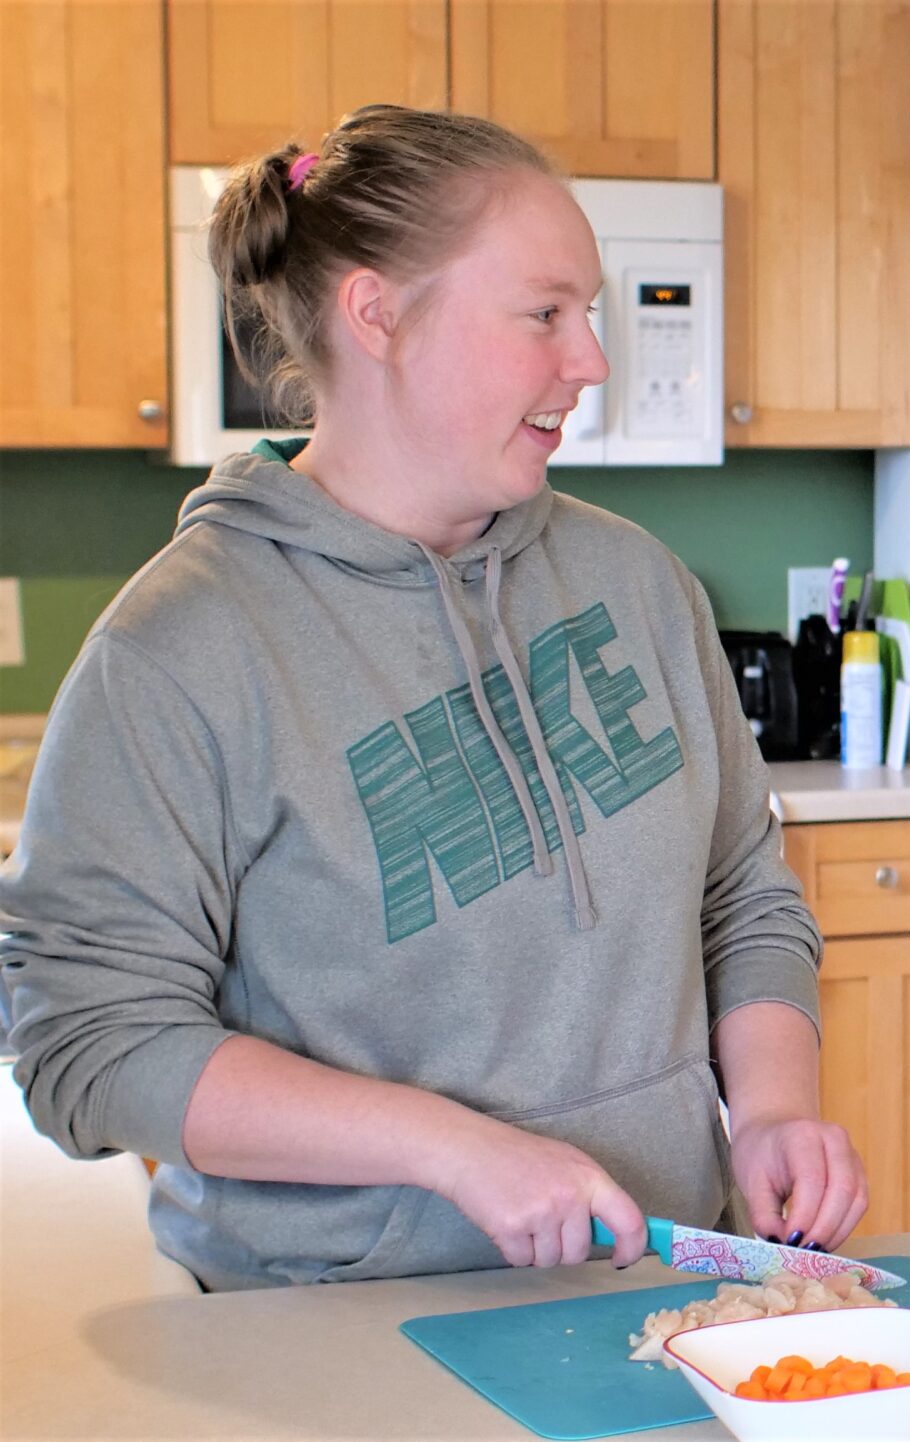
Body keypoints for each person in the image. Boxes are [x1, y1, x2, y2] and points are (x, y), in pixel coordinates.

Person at [0, 105, 865, 1289]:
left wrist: (771, 1105)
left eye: (591, 314)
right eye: (544, 314)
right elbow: (89, 1045)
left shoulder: (639, 583)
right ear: (377, 315)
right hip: (331, 1339)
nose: (592, 360)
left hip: (657, 1289)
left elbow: (741, 892)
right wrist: (451, 1150)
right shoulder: (179, 654)